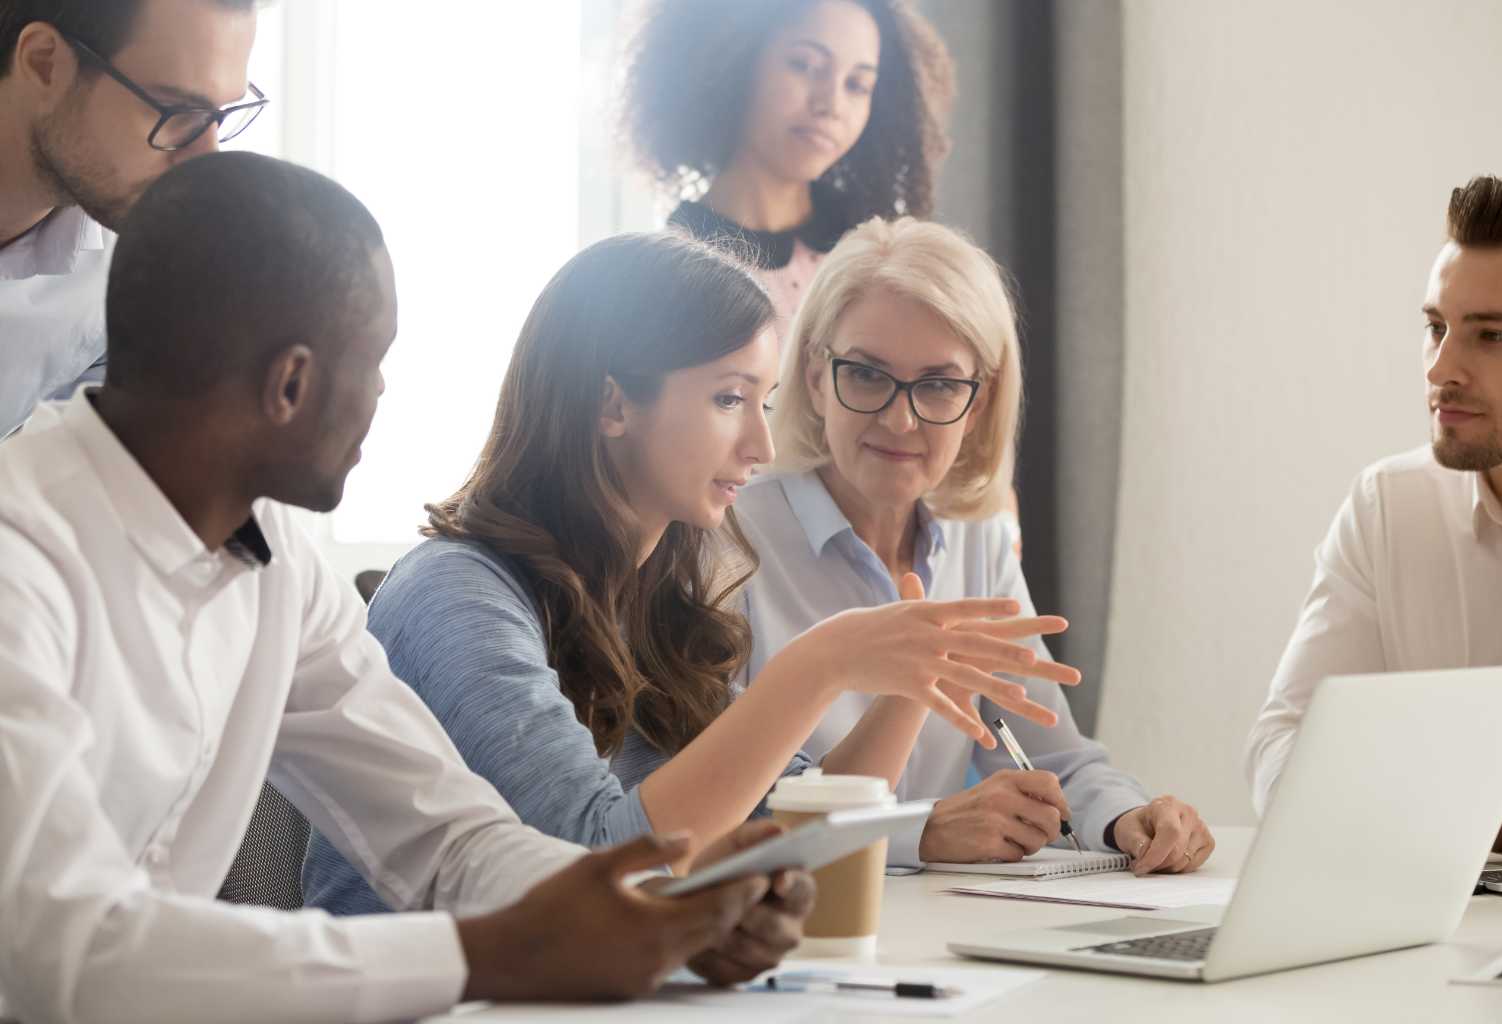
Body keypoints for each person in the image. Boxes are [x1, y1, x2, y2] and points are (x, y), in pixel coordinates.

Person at [0, 152, 818, 1024]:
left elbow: (446, 835)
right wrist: (488, 953)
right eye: (376, 361)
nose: (384, 395)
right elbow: (69, 949)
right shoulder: (21, 560)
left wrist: (655, 911)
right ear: (292, 384)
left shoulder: (276, 557)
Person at [303, 229, 1072, 915]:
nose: (762, 448)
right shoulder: (456, 595)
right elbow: (600, 862)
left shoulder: (647, 598)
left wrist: (916, 671)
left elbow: (797, 829)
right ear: (613, 405)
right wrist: (817, 666)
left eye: (762, 403)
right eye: (729, 398)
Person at [742, 216, 1215, 874]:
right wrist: (922, 831)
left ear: (979, 400)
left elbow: (1053, 758)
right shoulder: (728, 539)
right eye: (868, 375)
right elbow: (737, 813)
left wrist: (1127, 820)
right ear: (818, 378)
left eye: (938, 385)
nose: (900, 419)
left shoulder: (977, 539)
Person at [1247, 175, 1502, 847]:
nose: (1440, 369)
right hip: (1448, 933)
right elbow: (1279, 748)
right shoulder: (1390, 508)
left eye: (1491, 336)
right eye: (1436, 328)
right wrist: (1460, 814)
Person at [0, 0, 268, 439]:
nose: (205, 159)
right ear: (43, 62)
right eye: (177, 112)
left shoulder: (133, 269)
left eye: (220, 116)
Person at [620, 0, 953, 332]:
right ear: (736, 60)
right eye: (804, 65)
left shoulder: (875, 250)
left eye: (856, 85)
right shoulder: (673, 273)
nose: (832, 104)